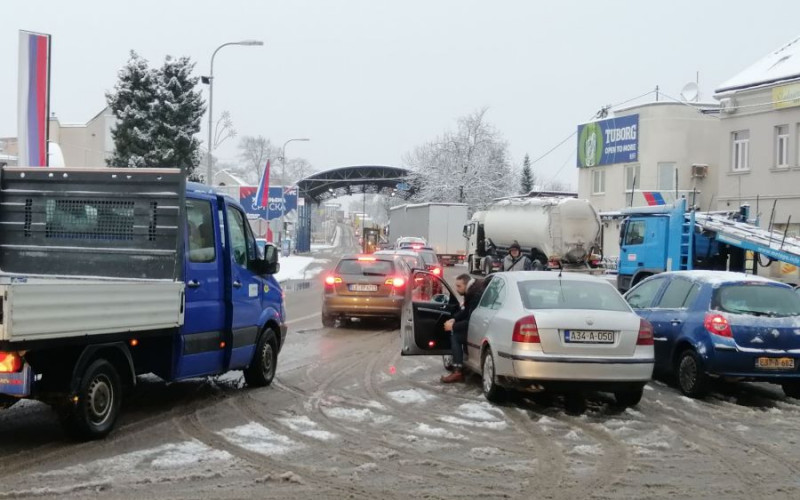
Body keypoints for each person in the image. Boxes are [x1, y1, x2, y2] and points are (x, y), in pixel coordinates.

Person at [440, 273, 484, 383]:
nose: (457, 289)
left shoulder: (475, 294)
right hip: (481, 325)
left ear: (466, 284)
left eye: (459, 286)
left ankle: (457, 372)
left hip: (480, 327)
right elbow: (466, 311)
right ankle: (459, 367)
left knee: (456, 337)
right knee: (456, 332)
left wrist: (453, 326)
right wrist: (454, 319)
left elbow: (471, 320)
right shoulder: (472, 290)